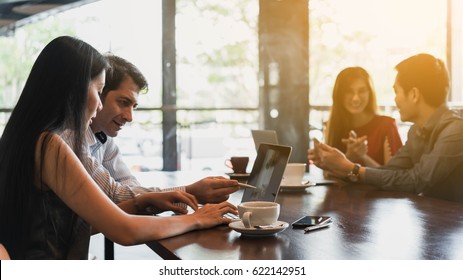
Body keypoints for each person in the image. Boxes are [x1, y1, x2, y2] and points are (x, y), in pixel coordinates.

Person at [0, 36, 237, 259]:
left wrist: (140, 203)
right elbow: (124, 231)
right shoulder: (50, 146)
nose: (99, 104)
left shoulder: (25, 138)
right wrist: (197, 219)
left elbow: (65, 225)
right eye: (99, 91)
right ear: (76, 89)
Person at [80, 54, 239, 211]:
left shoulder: (103, 138)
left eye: (133, 107)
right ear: (98, 93)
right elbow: (113, 195)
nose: (129, 117)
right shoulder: (73, 139)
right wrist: (189, 192)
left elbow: (129, 184)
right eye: (123, 103)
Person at [309, 53, 463, 203]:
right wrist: (338, 165)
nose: (395, 100)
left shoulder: (456, 130)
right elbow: (390, 172)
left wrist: (352, 168)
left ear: (414, 94)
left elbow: (417, 180)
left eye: (396, 92)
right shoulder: (415, 131)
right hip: (436, 222)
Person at [321, 67, 402, 166]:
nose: (356, 98)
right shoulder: (331, 126)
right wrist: (349, 157)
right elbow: (328, 175)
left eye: (362, 91)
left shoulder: (387, 126)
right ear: (339, 95)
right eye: (349, 91)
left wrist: (363, 156)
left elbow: (395, 177)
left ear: (370, 93)